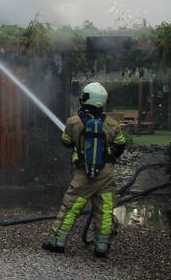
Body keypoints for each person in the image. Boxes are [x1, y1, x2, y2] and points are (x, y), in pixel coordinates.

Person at [42, 82, 127, 258]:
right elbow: (120, 145)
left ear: (86, 98)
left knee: (70, 208)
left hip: (83, 174)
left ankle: (57, 243)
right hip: (105, 174)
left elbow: (66, 141)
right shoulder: (112, 124)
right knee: (104, 212)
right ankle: (101, 248)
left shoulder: (73, 122)